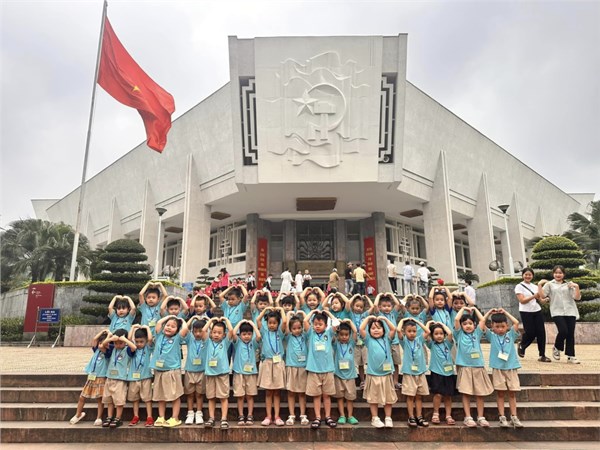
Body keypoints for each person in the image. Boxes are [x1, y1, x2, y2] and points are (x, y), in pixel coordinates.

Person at [483, 308, 524, 428]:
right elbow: (482, 323)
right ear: (492, 326)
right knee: (500, 393)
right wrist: (489, 313)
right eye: (497, 326)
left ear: (507, 325)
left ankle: (514, 416)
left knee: (512, 393)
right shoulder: (492, 336)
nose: (500, 329)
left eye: (502, 326)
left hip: (511, 367)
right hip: (498, 368)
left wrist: (505, 312)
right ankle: (502, 417)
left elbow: (516, 322)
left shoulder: (510, 334)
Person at [454, 306, 494, 428]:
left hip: (478, 366)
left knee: (480, 393)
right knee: (466, 393)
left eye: (470, 323)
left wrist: (475, 310)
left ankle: (481, 417)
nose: (468, 326)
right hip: (465, 367)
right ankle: (468, 417)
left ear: (474, 325)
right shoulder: (459, 334)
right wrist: (463, 308)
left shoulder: (477, 333)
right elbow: (456, 319)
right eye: (465, 324)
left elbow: (482, 320)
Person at [359, 315, 398, 428]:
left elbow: (393, 329)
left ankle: (388, 417)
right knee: (373, 397)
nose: (376, 330)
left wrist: (385, 319)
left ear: (383, 330)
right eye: (373, 328)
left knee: (388, 397)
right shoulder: (368, 340)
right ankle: (375, 418)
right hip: (373, 374)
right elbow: (361, 329)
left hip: (386, 374)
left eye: (379, 328)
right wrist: (368, 319)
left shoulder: (387, 339)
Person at [151, 315, 189, 427]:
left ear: (177, 330)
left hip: (172, 370)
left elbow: (185, 329)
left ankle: (175, 417)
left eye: (173, 326)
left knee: (175, 394)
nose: (169, 327)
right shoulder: (159, 335)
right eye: (167, 325)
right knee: (160, 395)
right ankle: (161, 417)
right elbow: (158, 324)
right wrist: (170, 316)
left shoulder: (177, 338)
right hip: (159, 370)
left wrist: (181, 320)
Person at [303, 309, 338, 429]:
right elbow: (305, 321)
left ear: (326, 325)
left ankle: (328, 416)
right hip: (314, 369)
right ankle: (317, 417)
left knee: (327, 395)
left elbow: (336, 323)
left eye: (320, 324)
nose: (317, 326)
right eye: (315, 324)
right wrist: (313, 311)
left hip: (328, 369)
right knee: (316, 395)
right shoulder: (311, 333)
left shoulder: (329, 333)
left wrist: (328, 314)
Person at [69, 329, 111, 426]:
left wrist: (109, 335)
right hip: (91, 377)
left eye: (105, 342)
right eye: (100, 342)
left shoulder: (107, 352)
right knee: (82, 397)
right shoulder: (96, 350)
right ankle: (78, 414)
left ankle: (99, 417)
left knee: (99, 399)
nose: (101, 344)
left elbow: (102, 346)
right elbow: (95, 339)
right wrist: (103, 331)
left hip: (101, 377)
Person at [542, 265, 582, 364]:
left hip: (570, 311)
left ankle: (571, 356)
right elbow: (542, 295)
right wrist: (539, 285)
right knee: (563, 330)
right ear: (553, 274)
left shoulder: (569, 284)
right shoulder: (549, 284)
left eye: (560, 273)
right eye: (556, 273)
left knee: (570, 334)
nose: (558, 275)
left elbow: (577, 298)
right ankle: (557, 347)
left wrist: (576, 287)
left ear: (564, 274)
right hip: (557, 311)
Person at [257, 307, 287, 426]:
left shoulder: (280, 332)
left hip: (278, 363)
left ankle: (277, 416)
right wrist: (265, 310)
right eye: (270, 323)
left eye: (274, 323)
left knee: (277, 392)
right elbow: (258, 320)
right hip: (267, 363)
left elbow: (285, 321)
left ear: (278, 323)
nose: (272, 325)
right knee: (268, 392)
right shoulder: (264, 332)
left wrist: (280, 309)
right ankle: (268, 416)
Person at [397, 318, 430, 428]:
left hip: (420, 372)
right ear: (405, 331)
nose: (412, 333)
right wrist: (403, 320)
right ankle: (411, 416)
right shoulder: (404, 341)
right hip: (409, 373)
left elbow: (427, 331)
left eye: (414, 331)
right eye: (409, 331)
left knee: (419, 396)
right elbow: (398, 330)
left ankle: (419, 416)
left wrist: (418, 322)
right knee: (410, 396)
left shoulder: (419, 340)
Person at [101, 328, 137, 428]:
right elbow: (103, 345)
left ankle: (118, 417)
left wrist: (125, 340)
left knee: (119, 400)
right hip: (110, 378)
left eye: (120, 343)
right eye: (116, 343)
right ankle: (109, 416)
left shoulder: (127, 350)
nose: (118, 345)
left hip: (120, 379)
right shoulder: (112, 349)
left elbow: (134, 347)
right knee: (109, 400)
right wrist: (110, 338)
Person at [202, 317, 233, 429]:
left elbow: (231, 331)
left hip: (222, 374)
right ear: (211, 333)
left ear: (223, 335)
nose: (216, 335)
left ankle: (224, 419)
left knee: (223, 397)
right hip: (210, 374)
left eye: (219, 333)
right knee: (211, 397)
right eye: (214, 332)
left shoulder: (225, 343)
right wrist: (210, 320)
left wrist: (225, 320)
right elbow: (203, 331)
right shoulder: (208, 342)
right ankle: (211, 418)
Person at [515, 268, 550, 362]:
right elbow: (522, 301)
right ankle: (522, 345)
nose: (528, 276)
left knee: (541, 333)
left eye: (530, 275)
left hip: (537, 310)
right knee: (530, 332)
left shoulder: (535, 286)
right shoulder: (519, 286)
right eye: (526, 274)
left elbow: (540, 300)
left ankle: (542, 355)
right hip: (526, 311)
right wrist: (534, 296)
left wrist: (545, 300)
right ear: (522, 275)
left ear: (532, 276)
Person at [231, 319, 262, 426]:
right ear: (240, 335)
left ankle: (250, 415)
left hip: (251, 373)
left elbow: (258, 336)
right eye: (244, 334)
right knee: (240, 396)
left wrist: (252, 324)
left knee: (250, 395)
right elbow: (233, 333)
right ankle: (240, 415)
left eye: (249, 334)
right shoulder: (238, 343)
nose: (246, 336)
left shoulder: (253, 343)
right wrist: (240, 323)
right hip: (239, 372)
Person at [426, 321, 456, 425]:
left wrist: (442, 325)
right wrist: (429, 324)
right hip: (437, 372)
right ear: (432, 335)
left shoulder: (447, 343)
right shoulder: (432, 344)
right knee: (438, 394)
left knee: (448, 395)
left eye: (441, 333)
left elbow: (450, 333)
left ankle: (448, 415)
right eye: (436, 334)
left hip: (448, 373)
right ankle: (436, 413)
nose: (439, 336)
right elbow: (426, 334)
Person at [284, 312, 310, 426]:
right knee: (291, 392)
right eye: (294, 328)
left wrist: (302, 314)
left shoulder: (305, 336)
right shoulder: (288, 336)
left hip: (303, 367)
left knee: (302, 393)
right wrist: (289, 313)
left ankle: (303, 415)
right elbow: (285, 325)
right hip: (291, 366)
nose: (297, 330)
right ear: (290, 329)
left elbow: (307, 324)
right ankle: (292, 415)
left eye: (299, 328)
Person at [126, 325, 154, 427]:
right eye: (137, 341)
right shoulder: (133, 348)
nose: (139, 344)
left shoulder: (148, 348)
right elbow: (129, 339)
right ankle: (136, 416)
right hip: (133, 378)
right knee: (135, 398)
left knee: (147, 398)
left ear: (145, 340)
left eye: (141, 341)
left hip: (145, 377)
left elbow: (150, 339)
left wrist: (147, 328)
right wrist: (133, 327)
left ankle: (149, 417)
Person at [183, 316, 208, 425]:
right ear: (192, 331)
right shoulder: (190, 339)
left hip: (202, 371)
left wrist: (208, 320)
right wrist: (192, 317)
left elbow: (208, 329)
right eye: (195, 331)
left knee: (199, 394)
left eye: (200, 331)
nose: (198, 334)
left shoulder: (206, 340)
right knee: (189, 394)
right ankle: (190, 413)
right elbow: (184, 329)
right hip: (190, 370)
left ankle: (199, 413)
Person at [333, 320, 359, 425]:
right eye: (341, 334)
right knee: (340, 397)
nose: (344, 337)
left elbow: (355, 332)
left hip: (350, 375)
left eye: (346, 335)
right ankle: (342, 415)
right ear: (338, 335)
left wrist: (349, 321)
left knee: (350, 397)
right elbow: (332, 332)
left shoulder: (351, 344)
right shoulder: (336, 344)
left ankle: (350, 416)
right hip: (338, 375)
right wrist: (337, 323)